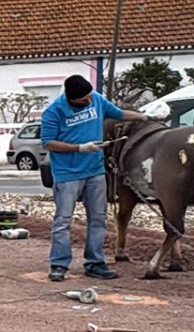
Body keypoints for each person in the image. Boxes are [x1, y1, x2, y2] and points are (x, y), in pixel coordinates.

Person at [38, 75, 145, 282]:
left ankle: (95, 262)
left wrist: (143, 117)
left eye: (90, 96)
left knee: (98, 218)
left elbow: (118, 113)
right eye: (84, 99)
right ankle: (59, 264)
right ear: (71, 98)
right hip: (67, 174)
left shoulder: (96, 99)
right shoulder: (54, 112)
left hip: (95, 172)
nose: (89, 101)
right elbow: (48, 143)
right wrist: (80, 148)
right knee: (63, 221)